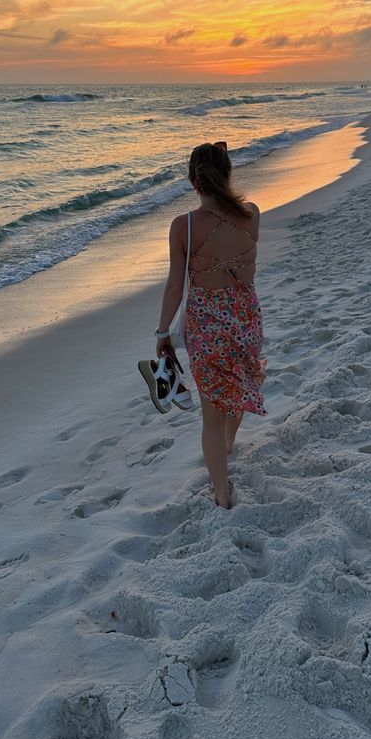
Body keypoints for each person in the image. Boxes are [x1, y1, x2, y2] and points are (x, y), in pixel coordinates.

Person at [154, 142, 265, 509]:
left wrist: (162, 333)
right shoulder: (252, 214)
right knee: (240, 383)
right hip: (246, 318)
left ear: (192, 182)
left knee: (211, 413)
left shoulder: (183, 226)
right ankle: (230, 444)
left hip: (206, 326)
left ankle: (221, 492)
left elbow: (175, 287)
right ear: (228, 174)